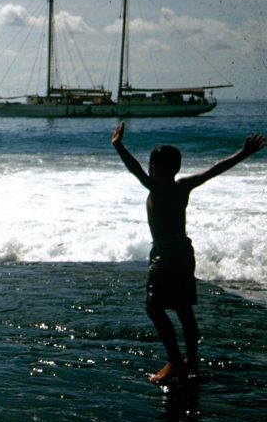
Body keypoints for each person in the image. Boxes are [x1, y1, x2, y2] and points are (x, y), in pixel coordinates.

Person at [112, 121, 264, 384]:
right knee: (183, 309)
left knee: (154, 307)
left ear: (163, 168)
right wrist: (243, 153)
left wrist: (118, 146)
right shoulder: (181, 186)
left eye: (155, 164)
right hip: (183, 252)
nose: (151, 168)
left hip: (166, 256)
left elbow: (133, 168)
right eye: (152, 164)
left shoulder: (157, 186)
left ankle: (174, 362)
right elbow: (214, 170)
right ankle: (190, 362)